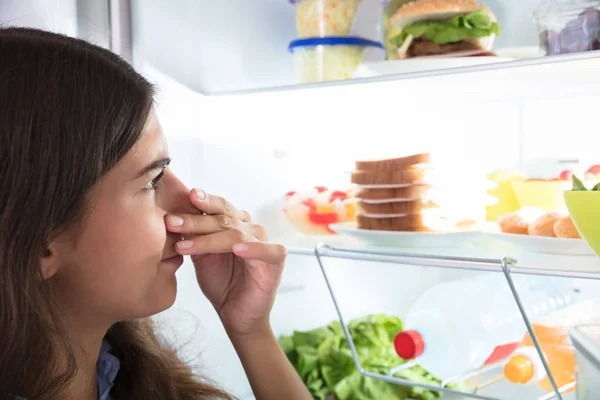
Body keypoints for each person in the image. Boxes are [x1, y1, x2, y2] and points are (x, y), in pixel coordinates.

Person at [0, 27, 312, 400]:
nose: (191, 201)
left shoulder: (127, 371)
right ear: (41, 247)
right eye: (152, 181)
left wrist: (252, 332)